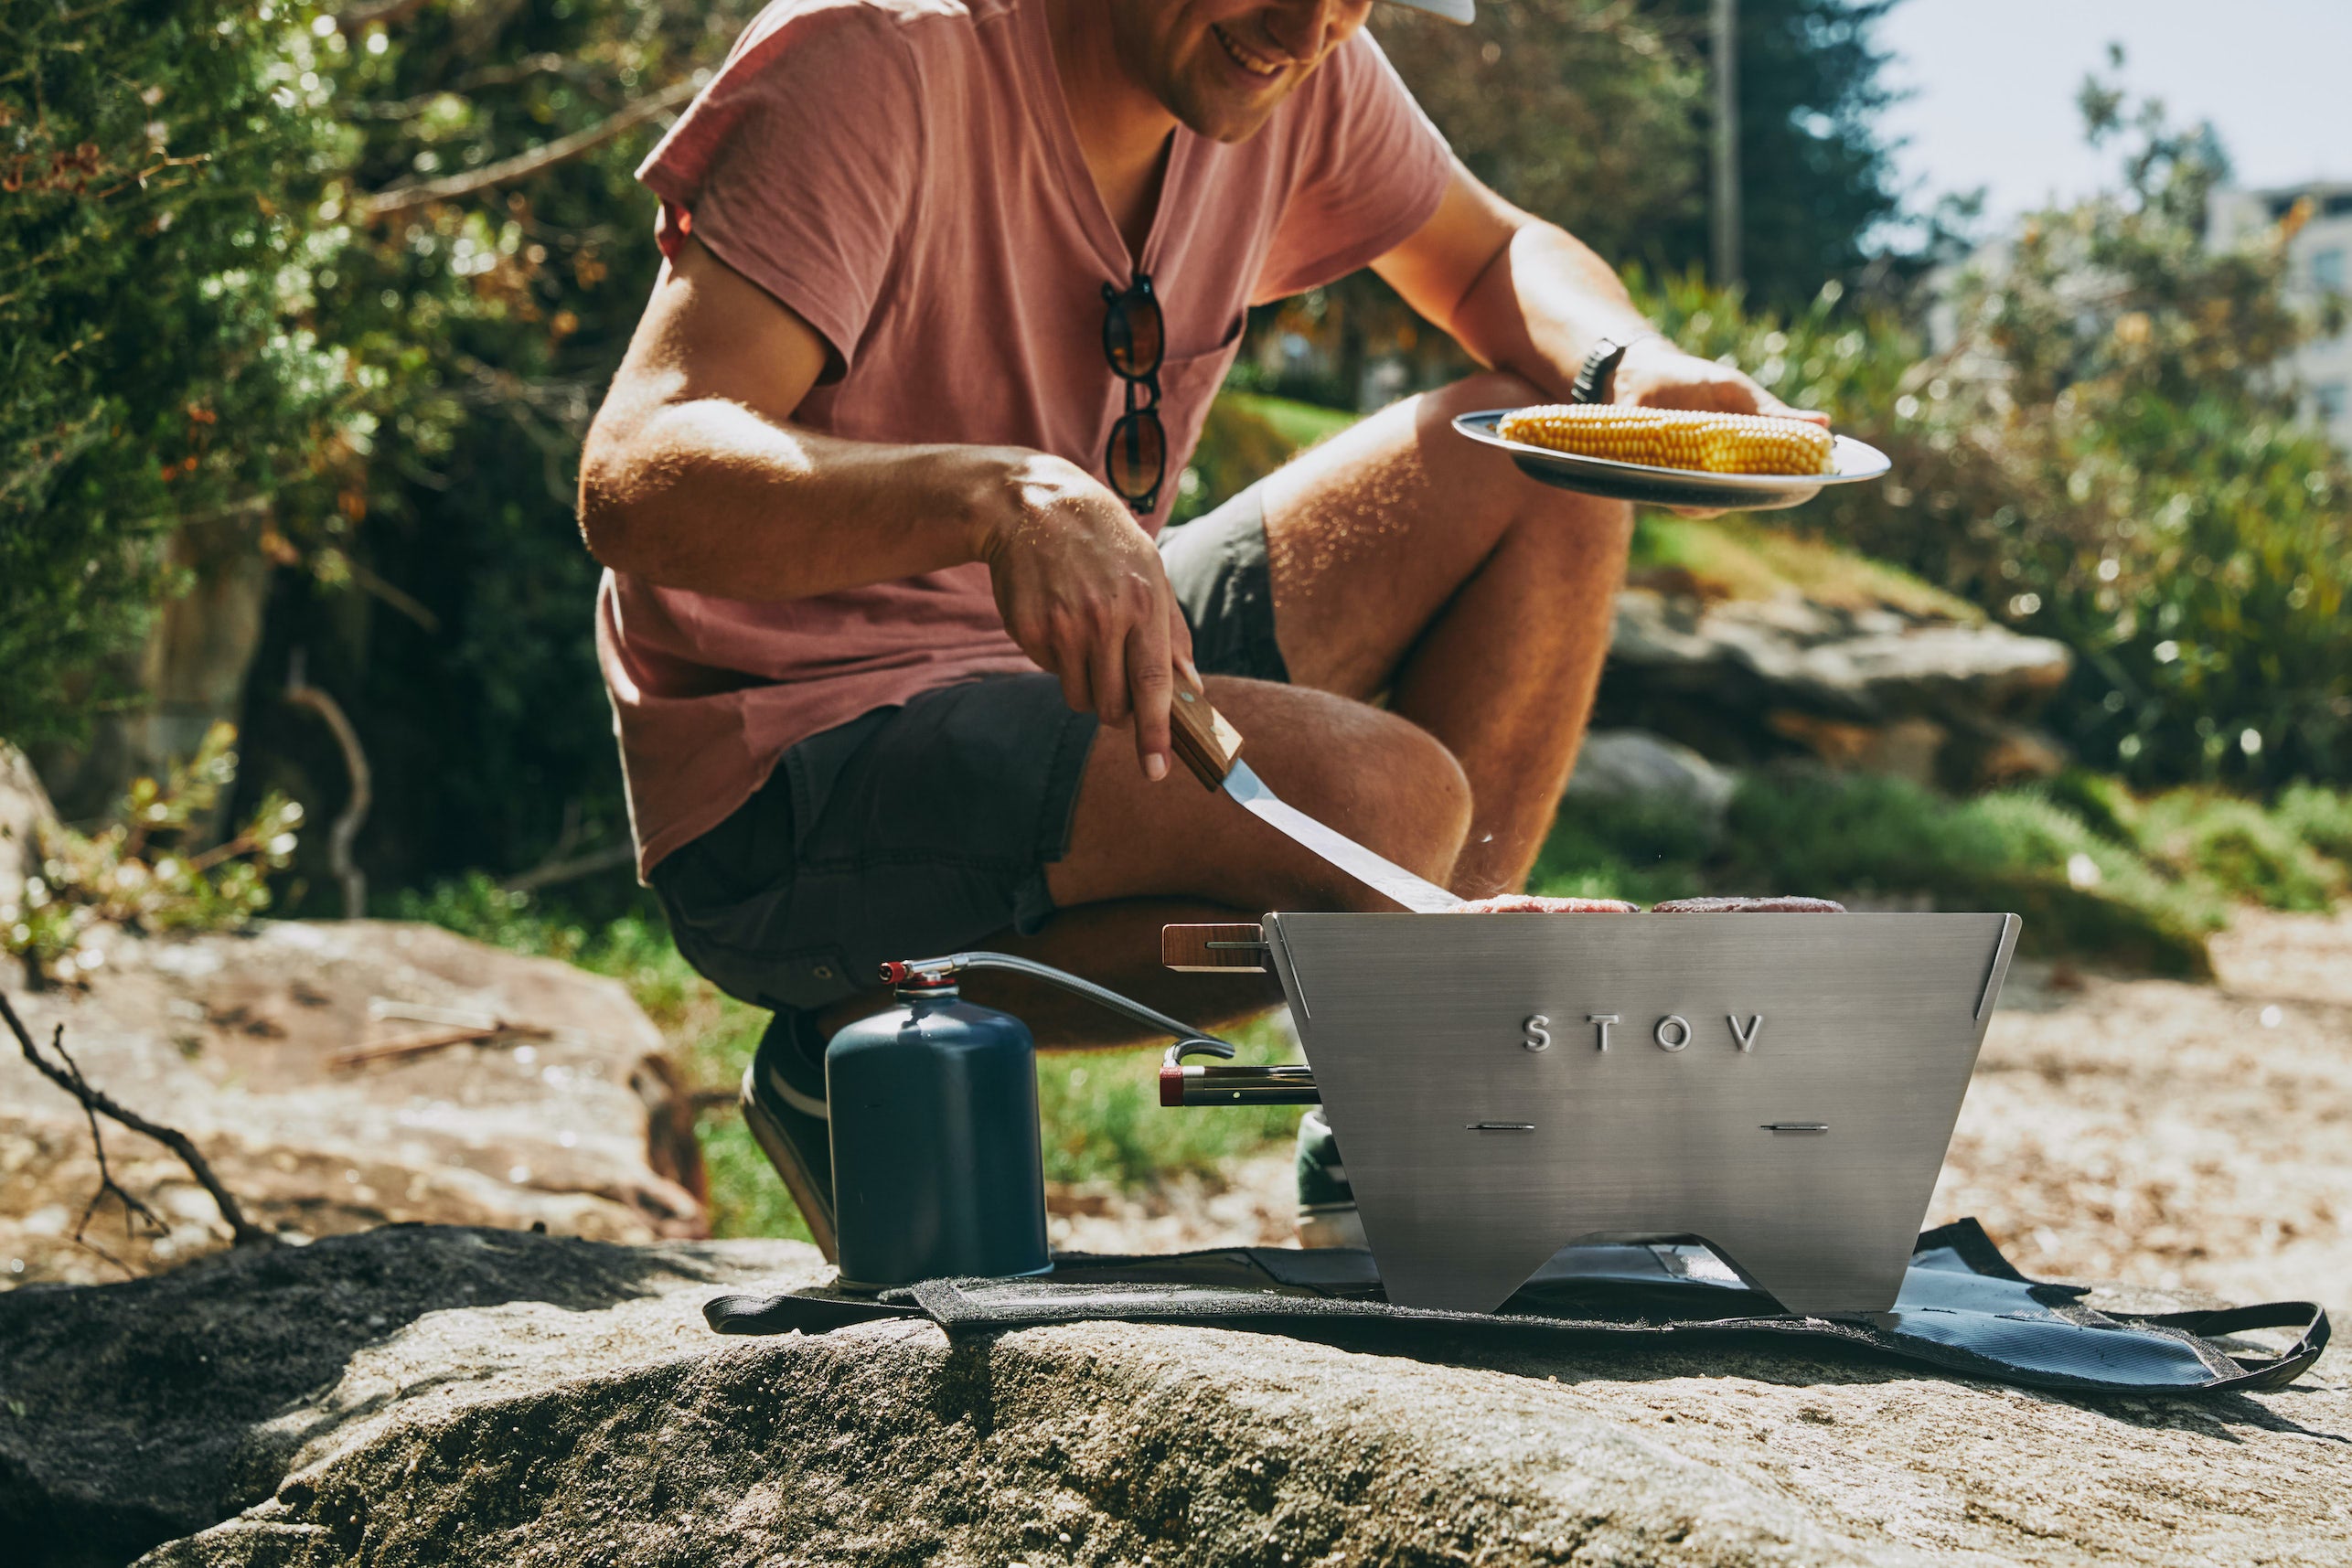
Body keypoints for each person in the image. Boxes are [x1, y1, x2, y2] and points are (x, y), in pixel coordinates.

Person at [579, 0, 1821, 1256]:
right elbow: (637, 473)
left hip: (1068, 644)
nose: (1308, 24)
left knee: (1546, 455)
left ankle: (1419, 1100)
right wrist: (997, 497)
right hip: (799, 771)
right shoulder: (881, 55)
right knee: (1383, 800)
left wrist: (1629, 371)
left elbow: (1491, 255)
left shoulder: (1288, 60)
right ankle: (851, 1036)